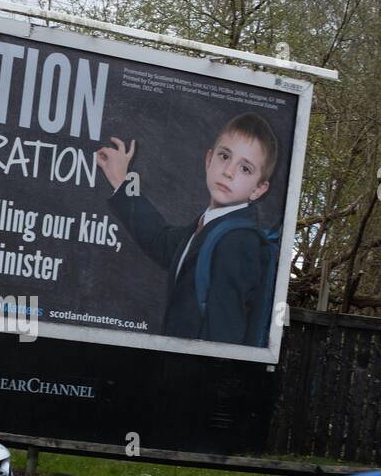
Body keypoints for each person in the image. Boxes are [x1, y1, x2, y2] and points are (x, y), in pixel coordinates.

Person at [95, 112, 278, 345]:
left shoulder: (238, 242)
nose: (228, 171)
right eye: (224, 156)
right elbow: (160, 240)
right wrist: (121, 181)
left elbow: (222, 339)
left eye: (245, 169)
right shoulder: (208, 226)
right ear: (209, 160)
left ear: (258, 189)